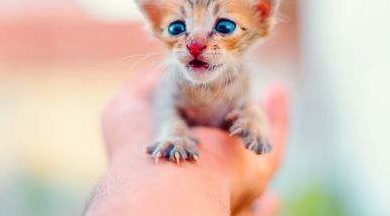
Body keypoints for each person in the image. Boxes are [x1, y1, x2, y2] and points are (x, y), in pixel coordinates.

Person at [84, 72, 289, 216]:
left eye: (225, 27)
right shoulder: (171, 81)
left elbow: (251, 104)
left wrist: (252, 120)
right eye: (177, 28)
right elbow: (165, 110)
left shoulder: (239, 82)